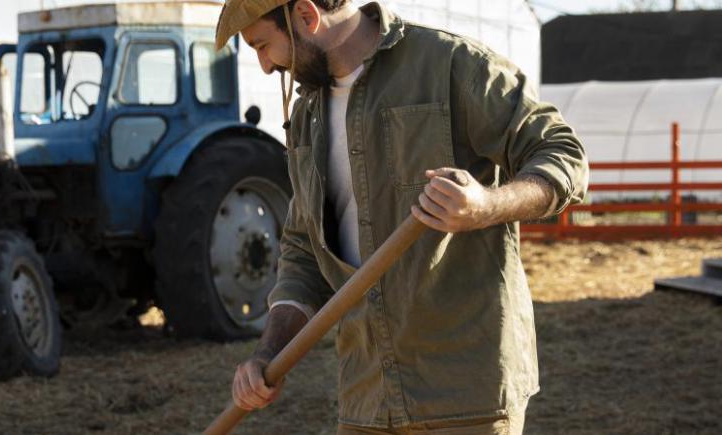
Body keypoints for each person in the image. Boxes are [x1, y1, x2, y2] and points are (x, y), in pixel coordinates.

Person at [214, 0, 589, 433]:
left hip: (465, 397)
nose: (265, 67)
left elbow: (564, 153)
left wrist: (486, 206)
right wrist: (267, 352)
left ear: (305, 16)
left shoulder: (451, 66)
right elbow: (303, 249)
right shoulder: (307, 116)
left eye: (263, 45)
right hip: (367, 397)